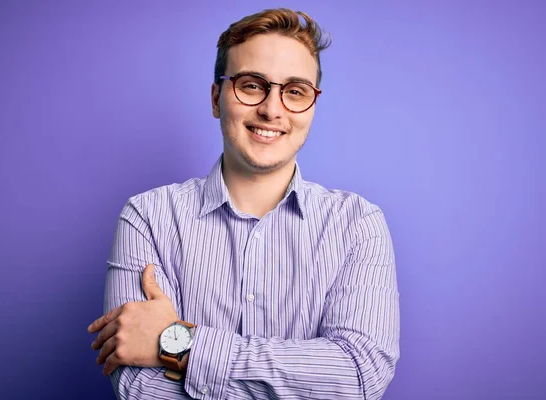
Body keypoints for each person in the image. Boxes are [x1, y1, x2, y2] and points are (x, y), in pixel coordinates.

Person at [87, 7, 400, 400]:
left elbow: (359, 375)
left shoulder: (358, 224)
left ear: (312, 107)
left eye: (295, 91)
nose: (272, 109)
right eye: (252, 85)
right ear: (217, 98)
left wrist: (178, 343)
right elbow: (138, 387)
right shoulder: (147, 217)